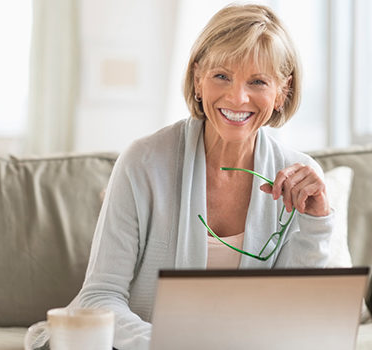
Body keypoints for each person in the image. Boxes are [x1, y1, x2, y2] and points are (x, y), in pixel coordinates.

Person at [72, 4, 333, 350]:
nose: (237, 97)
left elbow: (296, 313)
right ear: (198, 78)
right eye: (222, 76)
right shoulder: (142, 162)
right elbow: (99, 298)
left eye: (257, 81)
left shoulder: (296, 178)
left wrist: (317, 222)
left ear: (282, 91)